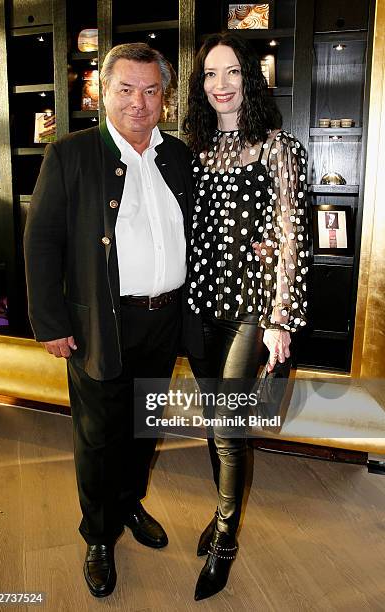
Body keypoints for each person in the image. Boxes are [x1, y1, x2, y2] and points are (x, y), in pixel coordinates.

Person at [24, 42, 201, 598]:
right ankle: (98, 535)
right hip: (100, 321)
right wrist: (50, 321)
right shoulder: (70, 154)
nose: (138, 102)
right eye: (125, 89)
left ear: (164, 98)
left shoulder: (180, 156)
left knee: (145, 426)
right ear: (104, 91)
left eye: (151, 91)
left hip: (165, 318)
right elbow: (42, 242)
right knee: (99, 436)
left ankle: (128, 507)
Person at [183, 32, 308, 600]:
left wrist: (281, 318)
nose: (221, 85)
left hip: (251, 307)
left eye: (231, 72)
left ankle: (226, 539)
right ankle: (222, 509)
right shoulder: (193, 147)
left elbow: (290, 237)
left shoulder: (279, 147)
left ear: (248, 79)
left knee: (229, 429)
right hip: (200, 303)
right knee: (214, 426)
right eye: (210, 74)